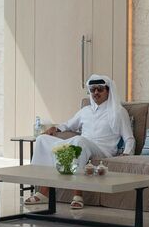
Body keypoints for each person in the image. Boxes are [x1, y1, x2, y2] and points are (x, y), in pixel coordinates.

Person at [24, 74, 135, 210]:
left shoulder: (118, 111)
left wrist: (127, 153)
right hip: (82, 143)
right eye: (93, 89)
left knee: (79, 140)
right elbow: (69, 125)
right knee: (42, 139)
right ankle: (42, 192)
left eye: (100, 89)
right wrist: (55, 128)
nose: (95, 93)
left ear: (108, 91)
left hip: (103, 150)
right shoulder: (85, 111)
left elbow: (129, 137)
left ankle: (77, 195)